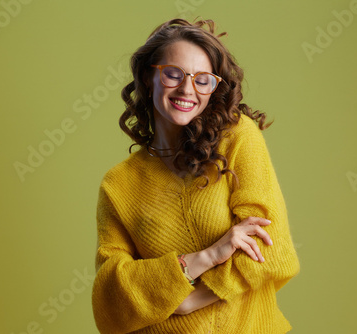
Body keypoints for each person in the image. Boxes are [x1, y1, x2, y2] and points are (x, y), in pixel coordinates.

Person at [92, 18, 300, 334]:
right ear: (150, 76)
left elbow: (271, 250)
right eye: (174, 74)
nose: (188, 89)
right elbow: (113, 296)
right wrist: (204, 259)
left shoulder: (238, 138)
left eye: (203, 79)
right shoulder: (118, 184)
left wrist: (186, 299)